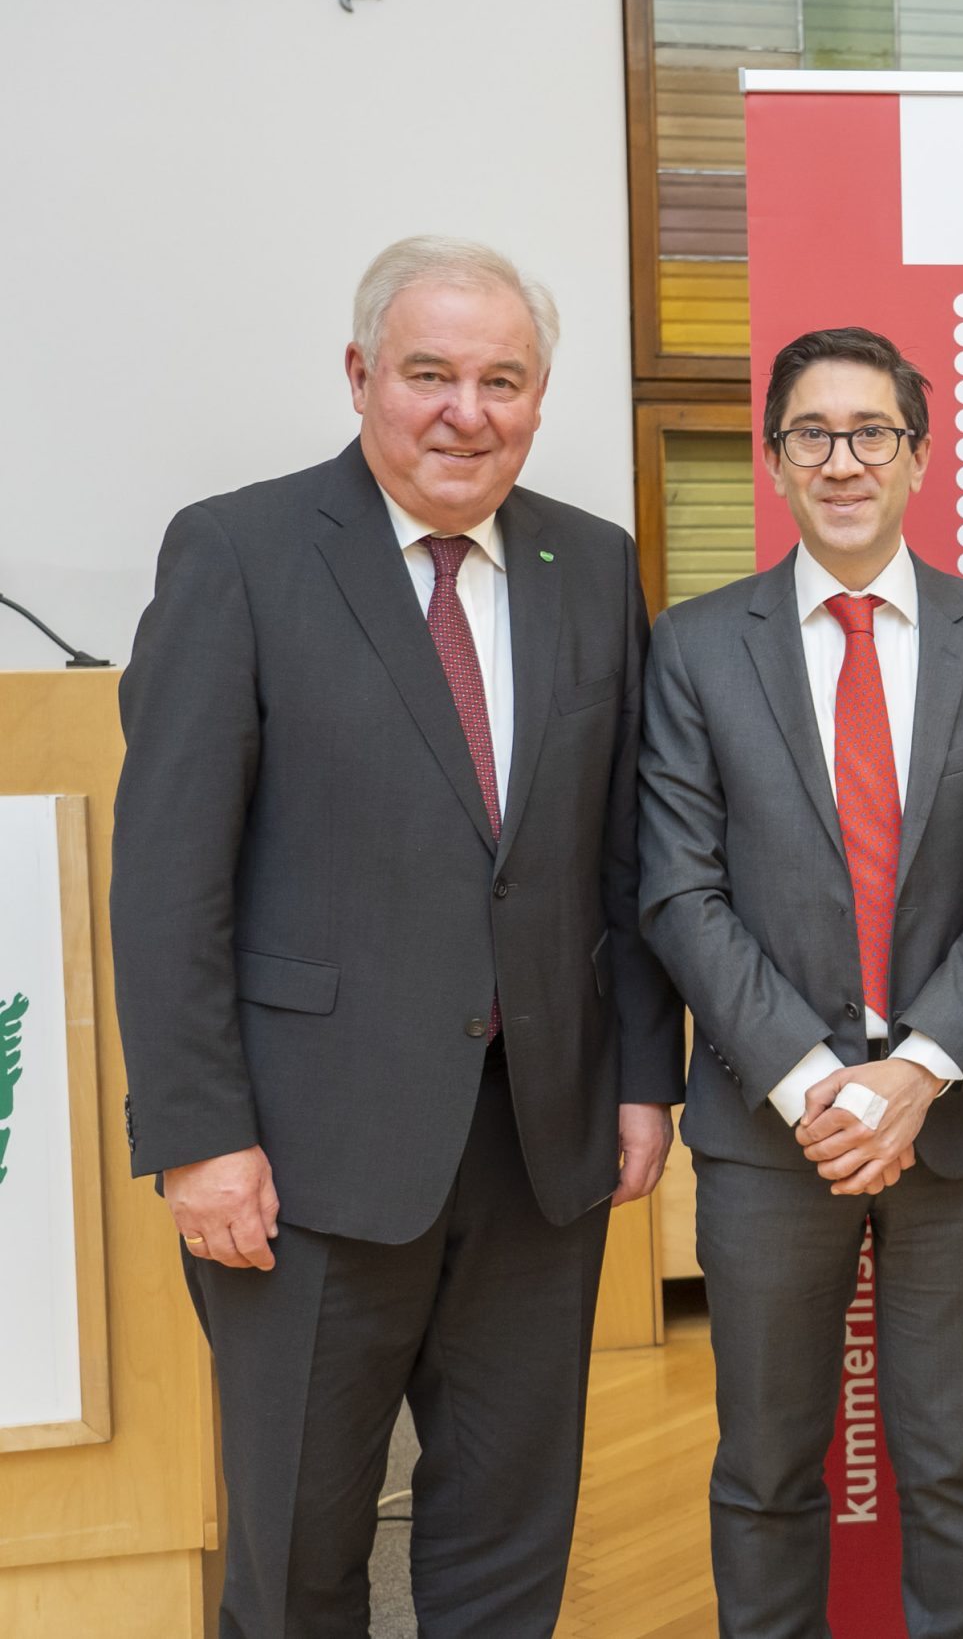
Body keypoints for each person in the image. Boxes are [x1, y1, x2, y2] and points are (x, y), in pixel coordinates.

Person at [111, 235, 684, 1637]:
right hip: (302, 1162)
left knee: (507, 1550)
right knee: (299, 1559)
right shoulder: (240, 552)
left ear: (538, 398)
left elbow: (620, 855)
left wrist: (640, 1076)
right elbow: (169, 876)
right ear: (361, 373)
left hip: (539, 1150)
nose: (465, 413)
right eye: (431, 374)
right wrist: (198, 1133)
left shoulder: (589, 562)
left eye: (503, 380)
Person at [638, 325, 963, 1639]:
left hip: (961, 1120)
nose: (842, 460)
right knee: (767, 1470)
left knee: (957, 1468)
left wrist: (915, 1072)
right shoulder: (695, 646)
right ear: (773, 461)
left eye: (871, 431)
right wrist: (820, 1084)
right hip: (774, 1130)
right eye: (811, 435)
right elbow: (679, 890)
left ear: (918, 456)